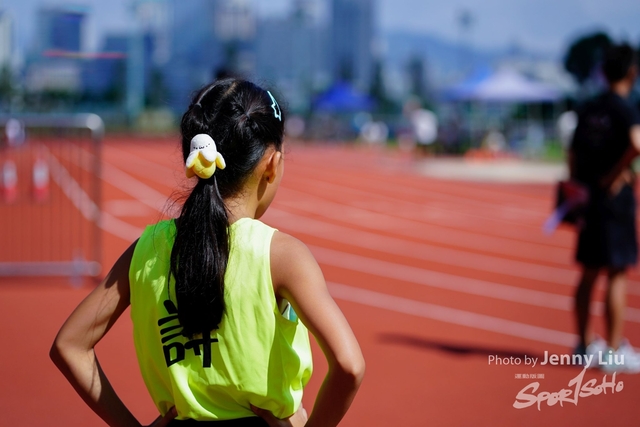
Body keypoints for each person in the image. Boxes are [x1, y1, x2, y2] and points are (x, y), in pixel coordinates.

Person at [50, 78, 365, 426]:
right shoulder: (281, 256)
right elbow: (349, 366)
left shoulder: (148, 250)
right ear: (272, 164)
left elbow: (69, 345)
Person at [569, 43, 640, 373]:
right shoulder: (625, 108)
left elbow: (572, 154)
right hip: (613, 201)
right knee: (616, 272)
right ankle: (612, 352)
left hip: (588, 198)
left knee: (588, 271)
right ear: (631, 72)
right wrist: (616, 175)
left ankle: (584, 345)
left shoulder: (588, 107)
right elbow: (637, 144)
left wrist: (577, 190)